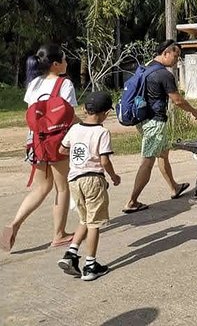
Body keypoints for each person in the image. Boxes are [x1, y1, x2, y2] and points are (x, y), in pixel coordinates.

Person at [1, 44, 77, 252]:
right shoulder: (65, 85)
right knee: (62, 188)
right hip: (56, 141)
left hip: (35, 140)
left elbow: (34, 114)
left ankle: (14, 223)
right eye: (64, 59)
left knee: (41, 187)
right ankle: (59, 235)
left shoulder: (33, 83)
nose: (66, 62)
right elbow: (68, 116)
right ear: (55, 64)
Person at [123, 40, 197, 214]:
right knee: (147, 162)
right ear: (166, 53)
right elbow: (177, 100)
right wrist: (194, 111)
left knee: (163, 153)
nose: (176, 60)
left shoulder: (147, 67)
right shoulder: (164, 75)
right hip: (154, 123)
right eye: (176, 55)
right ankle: (132, 201)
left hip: (145, 120)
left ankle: (174, 187)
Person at [57, 91, 120, 280]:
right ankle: (91, 265)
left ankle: (71, 254)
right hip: (93, 180)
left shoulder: (75, 129)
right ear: (106, 113)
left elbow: (62, 149)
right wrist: (114, 176)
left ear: (84, 109)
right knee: (95, 224)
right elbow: (104, 161)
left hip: (74, 180)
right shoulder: (102, 132)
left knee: (84, 219)